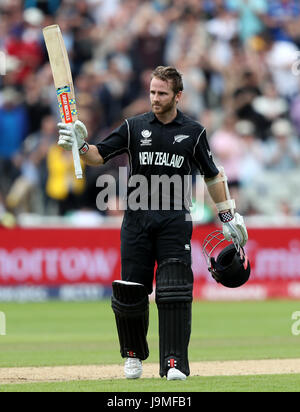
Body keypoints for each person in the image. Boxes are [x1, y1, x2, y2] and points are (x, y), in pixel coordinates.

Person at [57, 66, 248, 381]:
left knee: (174, 291)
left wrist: (227, 215)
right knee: (131, 292)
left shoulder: (194, 131)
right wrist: (79, 145)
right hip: (137, 220)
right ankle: (133, 356)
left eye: (162, 93)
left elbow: (213, 175)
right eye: (152, 92)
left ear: (177, 96)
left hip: (174, 219)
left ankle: (174, 363)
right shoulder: (133, 127)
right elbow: (96, 156)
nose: (155, 98)